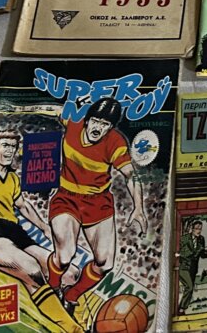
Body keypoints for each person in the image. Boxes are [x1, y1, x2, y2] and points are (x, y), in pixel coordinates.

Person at [0, 131, 81, 333]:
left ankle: (58, 302)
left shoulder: (12, 178)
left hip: (13, 229)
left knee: (71, 273)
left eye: (13, 146)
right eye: (5, 145)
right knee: (31, 270)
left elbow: (23, 206)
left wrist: (44, 227)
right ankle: (73, 329)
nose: (11, 150)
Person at [45, 98, 145, 306]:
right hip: (67, 198)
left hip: (98, 202)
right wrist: (15, 108)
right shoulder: (73, 122)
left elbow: (130, 175)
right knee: (64, 256)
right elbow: (51, 109)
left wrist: (138, 207)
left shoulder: (115, 142)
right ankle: (53, 287)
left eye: (105, 124)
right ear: (87, 120)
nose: (98, 127)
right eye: (96, 121)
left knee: (105, 263)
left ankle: (71, 296)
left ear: (110, 127)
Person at [176, 220, 207, 314]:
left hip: (193, 268)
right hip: (183, 266)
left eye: (200, 229)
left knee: (190, 289)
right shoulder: (184, 238)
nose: (199, 231)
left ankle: (182, 309)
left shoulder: (201, 239)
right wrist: (197, 251)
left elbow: (201, 254)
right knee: (189, 287)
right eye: (197, 229)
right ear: (192, 229)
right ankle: (181, 308)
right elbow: (181, 253)